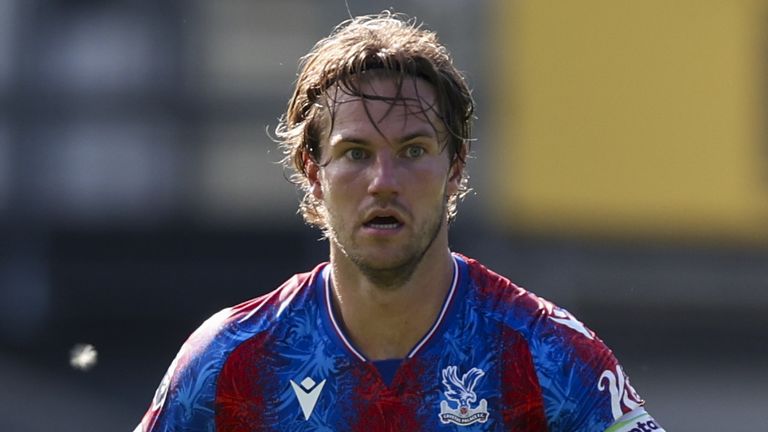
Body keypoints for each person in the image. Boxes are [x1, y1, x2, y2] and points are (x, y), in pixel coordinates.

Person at [135, 12, 665, 432]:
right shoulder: (230, 361)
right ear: (312, 170)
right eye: (356, 153)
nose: (383, 181)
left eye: (412, 150)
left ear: (454, 167)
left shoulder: (547, 354)